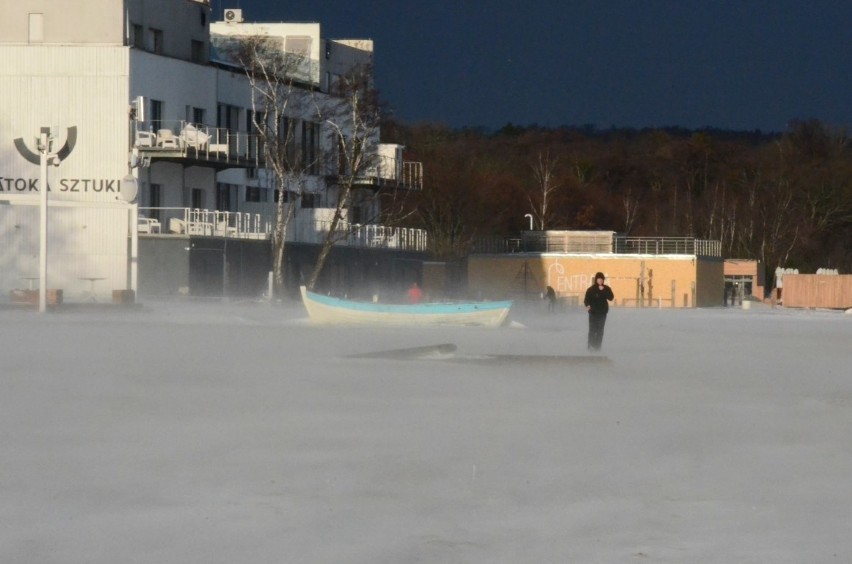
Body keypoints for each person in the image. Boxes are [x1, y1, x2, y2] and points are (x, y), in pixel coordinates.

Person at [583, 272, 614, 351]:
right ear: (596, 280)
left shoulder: (606, 288)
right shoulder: (591, 289)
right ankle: (590, 346)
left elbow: (611, 297)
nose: (600, 281)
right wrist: (588, 306)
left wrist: (604, 290)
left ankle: (597, 347)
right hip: (593, 313)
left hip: (602, 313)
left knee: (600, 330)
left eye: (601, 279)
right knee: (592, 330)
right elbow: (586, 300)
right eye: (599, 279)